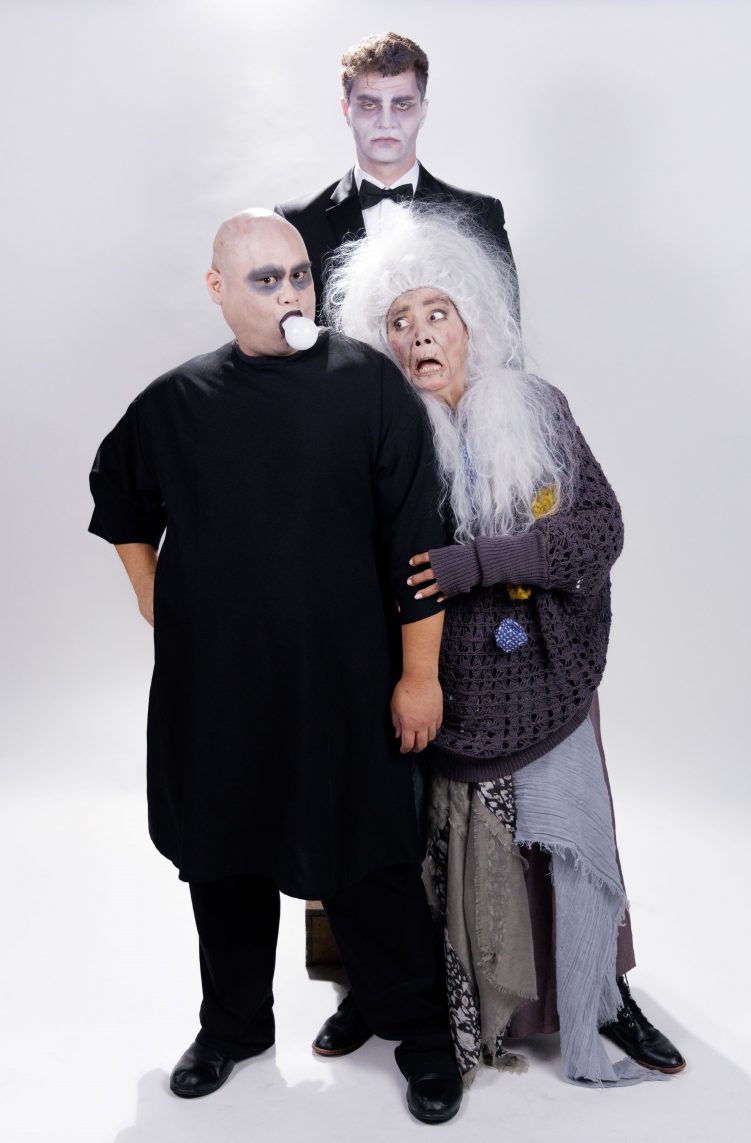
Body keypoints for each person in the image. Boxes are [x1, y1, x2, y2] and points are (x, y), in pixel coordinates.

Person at [87, 208, 465, 1124]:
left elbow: (419, 551)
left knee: (369, 862)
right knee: (223, 861)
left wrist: (420, 677)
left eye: (299, 275)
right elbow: (119, 494)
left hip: (343, 689)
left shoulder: (367, 386)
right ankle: (233, 1026)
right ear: (218, 289)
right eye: (266, 280)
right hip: (214, 693)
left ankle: (421, 1037)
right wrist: (150, 589)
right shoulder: (176, 401)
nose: (292, 294)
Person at [321, 206, 686, 1085]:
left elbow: (597, 529)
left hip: (552, 670)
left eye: (436, 313)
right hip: (431, 689)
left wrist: (480, 562)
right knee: (395, 844)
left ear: (471, 321)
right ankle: (376, 987)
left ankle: (604, 994)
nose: (420, 334)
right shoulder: (380, 439)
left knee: (573, 834)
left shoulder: (537, 407)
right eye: (398, 321)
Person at [275, 31, 517, 319]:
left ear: (423, 111)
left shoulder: (481, 215)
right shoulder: (295, 222)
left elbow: (504, 334)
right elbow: (282, 334)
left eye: (402, 104)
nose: (386, 121)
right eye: (369, 105)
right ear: (346, 110)